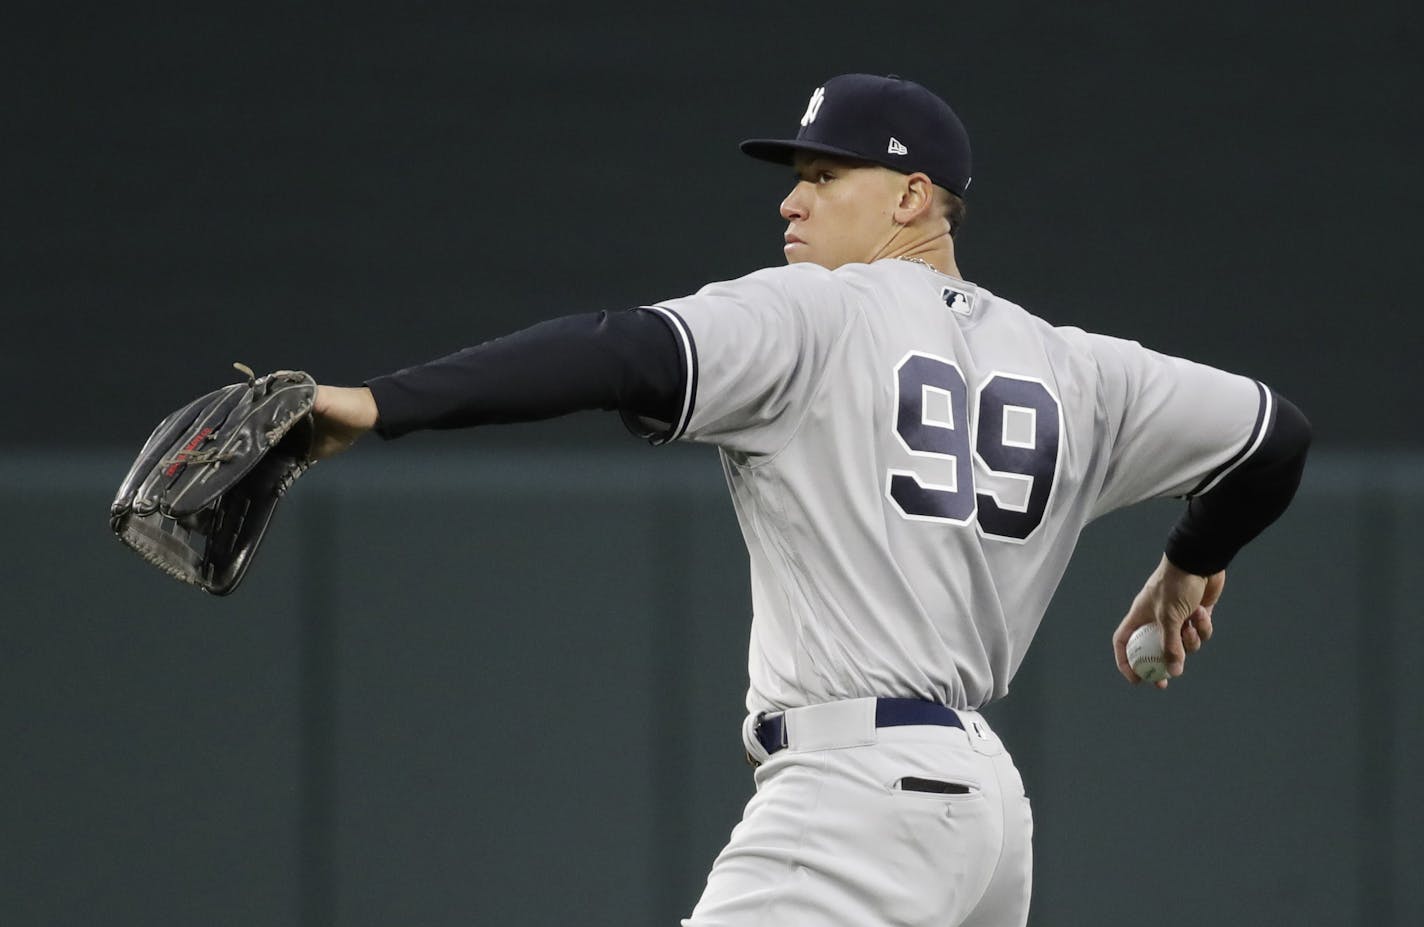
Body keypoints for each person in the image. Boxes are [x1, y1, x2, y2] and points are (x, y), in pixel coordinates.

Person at [308, 73, 1311, 926]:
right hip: (986, 816)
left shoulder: (818, 313)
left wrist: (376, 404)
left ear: (912, 197)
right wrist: (1190, 558)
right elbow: (1270, 438)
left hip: (858, 796)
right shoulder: (1078, 368)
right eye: (796, 181)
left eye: (825, 177)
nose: (792, 203)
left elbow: (618, 349)